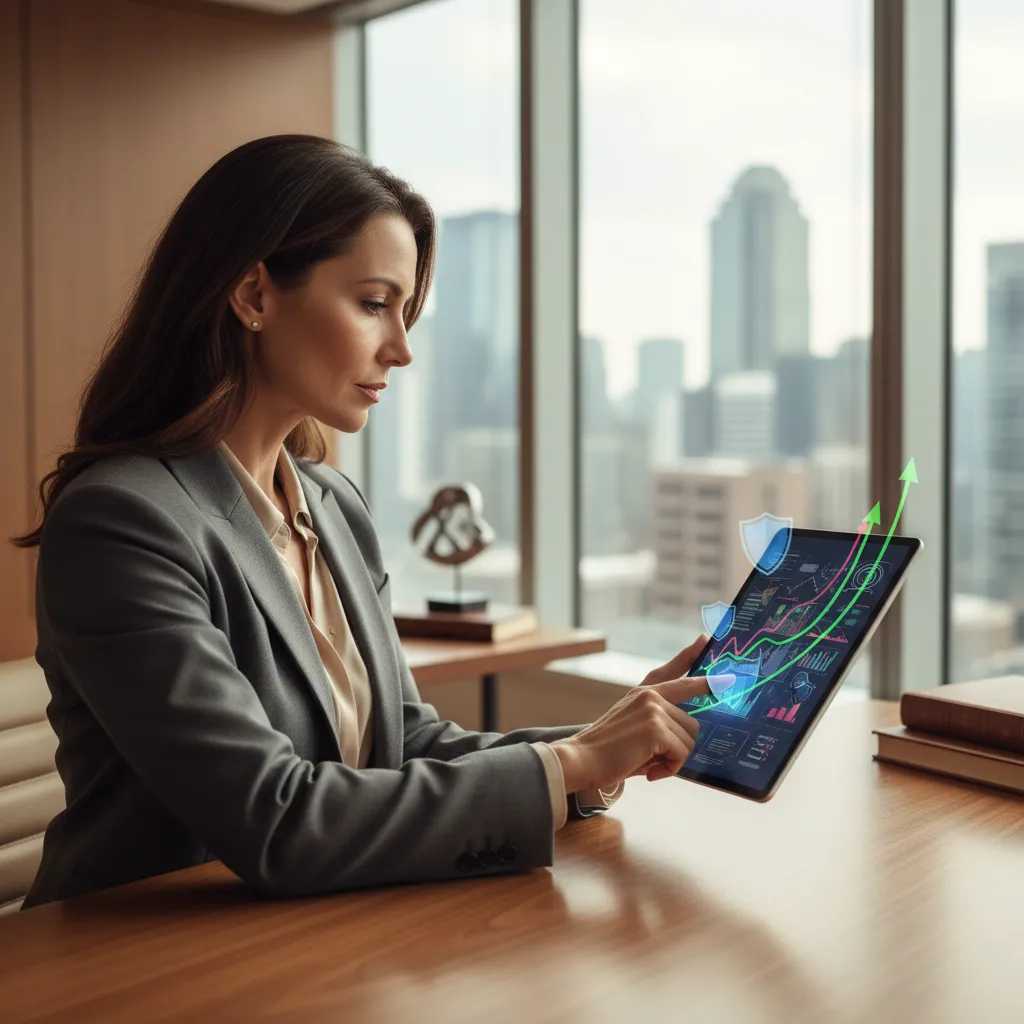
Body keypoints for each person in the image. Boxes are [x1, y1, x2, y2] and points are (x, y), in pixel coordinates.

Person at [14, 135, 712, 910]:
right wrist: (574, 761)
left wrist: (600, 745)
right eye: (375, 304)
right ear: (253, 296)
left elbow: (404, 747)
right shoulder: (122, 523)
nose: (403, 349)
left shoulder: (331, 504)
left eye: (405, 312)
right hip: (132, 961)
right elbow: (274, 820)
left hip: (313, 937)